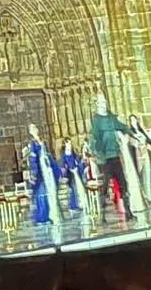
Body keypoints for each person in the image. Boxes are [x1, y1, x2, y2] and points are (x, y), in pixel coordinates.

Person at [87, 94, 139, 222]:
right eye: (101, 102)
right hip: (105, 159)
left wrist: (133, 133)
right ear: (97, 104)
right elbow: (95, 139)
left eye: (105, 101)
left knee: (123, 184)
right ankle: (102, 215)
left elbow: (122, 126)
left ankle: (128, 211)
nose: (104, 104)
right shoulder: (97, 121)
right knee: (104, 187)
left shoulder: (111, 118)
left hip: (115, 156)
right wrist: (99, 156)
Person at [23, 124, 62, 225]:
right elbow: (33, 160)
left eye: (35, 127)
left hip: (47, 169)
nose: (35, 129)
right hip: (41, 172)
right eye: (32, 129)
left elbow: (48, 155)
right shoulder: (33, 144)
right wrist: (34, 173)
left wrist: (55, 169)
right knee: (42, 193)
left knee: (50, 192)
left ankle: (51, 214)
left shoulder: (42, 141)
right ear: (30, 132)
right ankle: (42, 217)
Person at [58, 139, 90, 213]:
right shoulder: (64, 155)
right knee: (73, 189)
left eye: (70, 143)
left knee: (79, 188)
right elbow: (63, 166)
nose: (69, 144)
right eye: (68, 143)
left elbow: (77, 160)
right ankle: (73, 206)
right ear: (65, 144)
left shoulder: (72, 152)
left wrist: (80, 163)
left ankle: (81, 204)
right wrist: (64, 176)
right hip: (71, 173)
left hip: (76, 171)